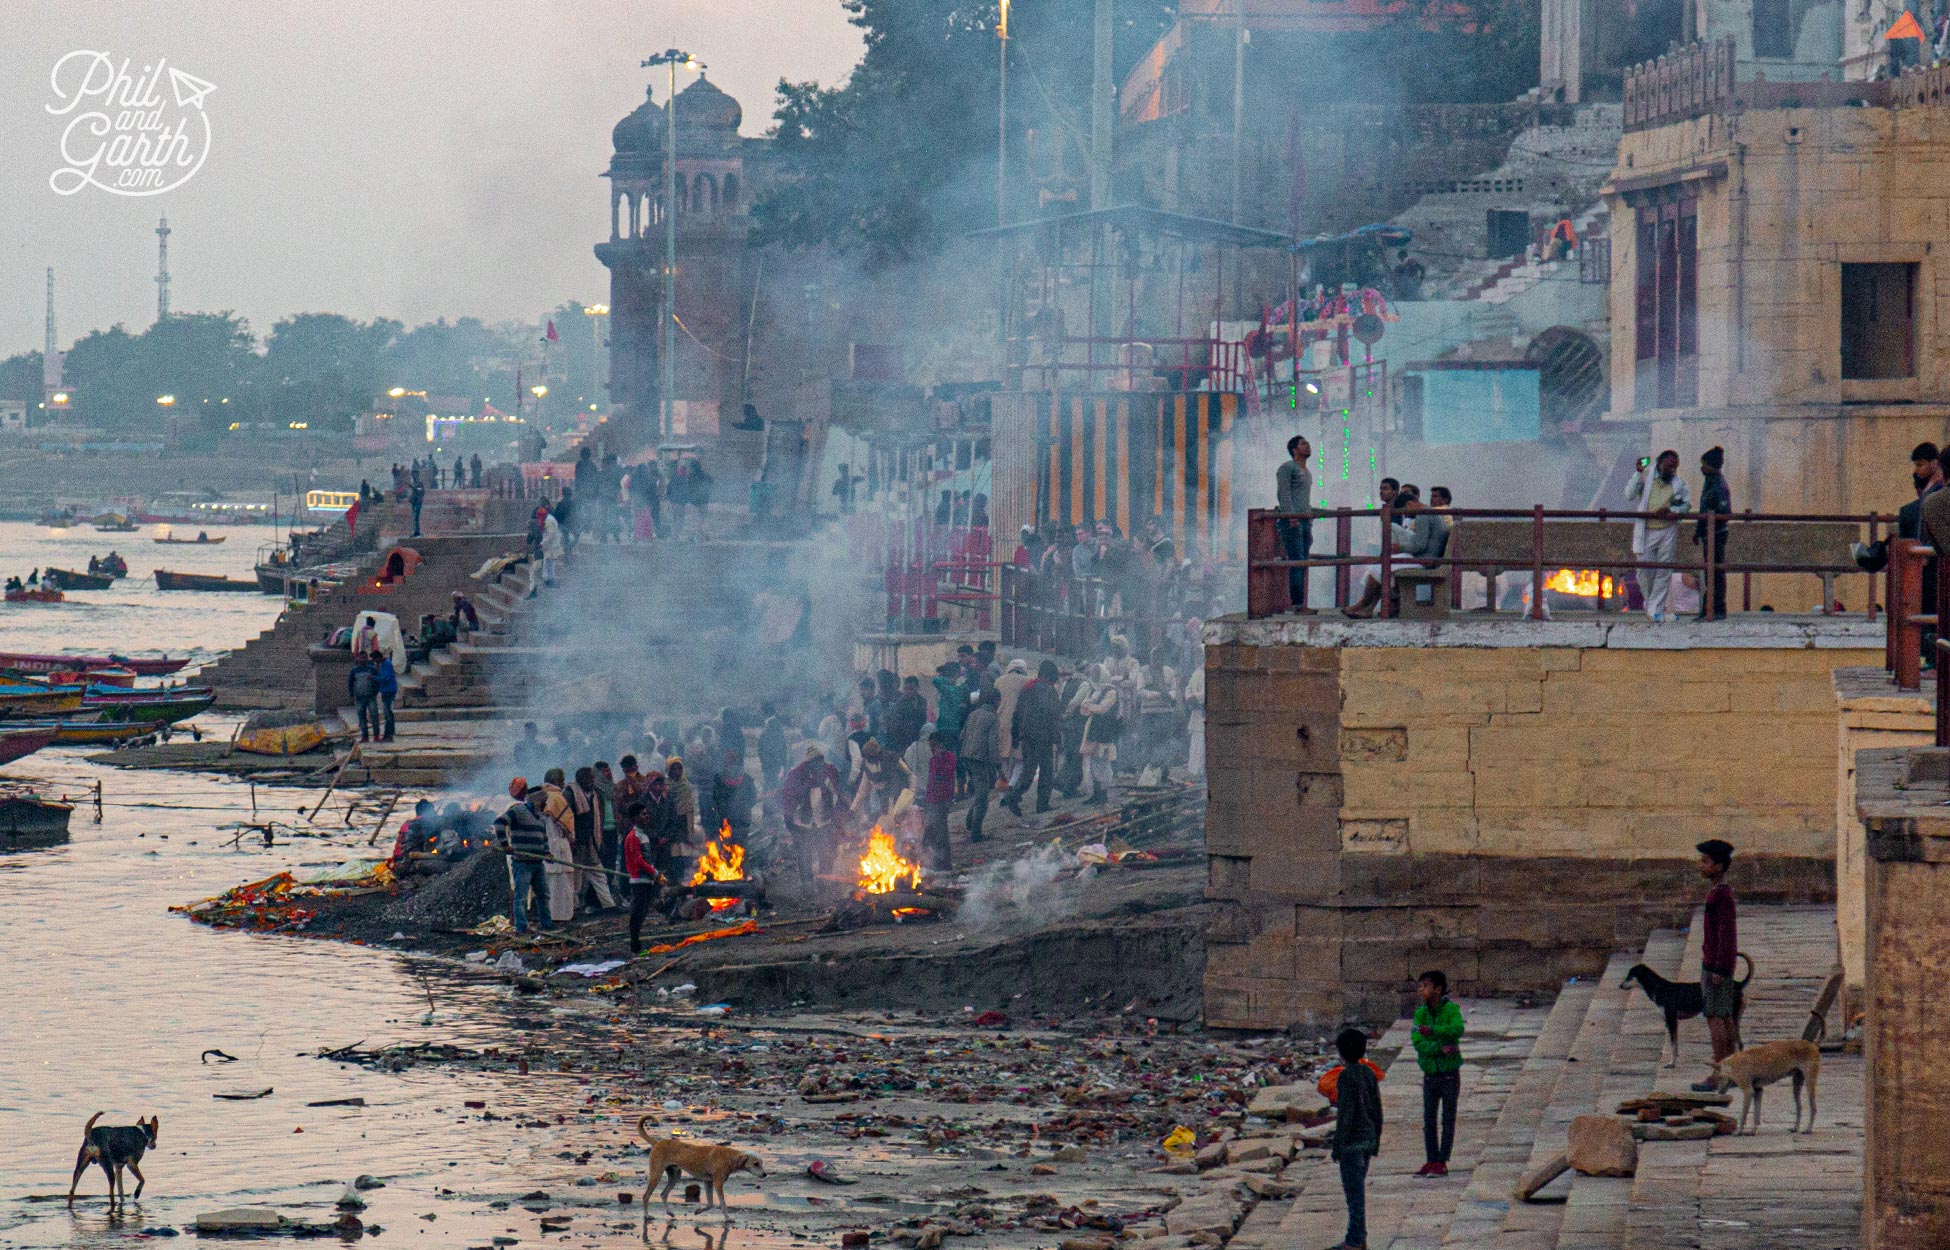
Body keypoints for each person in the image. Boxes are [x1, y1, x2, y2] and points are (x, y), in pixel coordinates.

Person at [1331, 1026, 1382, 1250]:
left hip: (1352, 1143)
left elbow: (1346, 1115)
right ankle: (1359, 1239)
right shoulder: (1369, 1073)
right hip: (1367, 1139)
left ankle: (1355, 1239)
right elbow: (1377, 1108)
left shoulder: (1345, 1077)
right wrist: (1376, 1137)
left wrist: (1337, 1146)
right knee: (1357, 1190)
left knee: (1354, 1195)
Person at [1695, 837, 1741, 1089]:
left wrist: (1717, 968)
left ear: (1719, 867)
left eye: (1706, 862)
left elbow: (1723, 935)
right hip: (1720, 964)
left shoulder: (1720, 897)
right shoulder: (1721, 894)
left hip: (1716, 966)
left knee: (1715, 1017)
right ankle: (1731, 1070)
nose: (1701, 866)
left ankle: (1720, 1072)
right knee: (1724, 1016)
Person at [1626, 450, 1690, 622]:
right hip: (1647, 530)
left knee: (1664, 571)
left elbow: (1685, 506)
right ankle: (1652, 606)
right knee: (1644, 571)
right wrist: (1637, 472)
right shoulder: (1646, 478)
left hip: (1667, 529)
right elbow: (1629, 494)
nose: (1672, 470)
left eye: (1675, 467)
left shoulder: (1678, 484)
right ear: (1660, 464)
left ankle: (1656, 610)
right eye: (1669, 466)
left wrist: (1671, 511)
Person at [1412, 970, 1465, 1177]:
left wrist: (1433, 1032)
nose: (1421, 990)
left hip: (1450, 1073)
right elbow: (1418, 1042)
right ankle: (1431, 1158)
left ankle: (1442, 1160)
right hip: (1430, 1073)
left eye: (1425, 986)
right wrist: (1438, 1048)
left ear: (1438, 989)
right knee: (1429, 1119)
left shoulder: (1451, 1009)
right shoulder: (1420, 1014)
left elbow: (1457, 1029)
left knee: (1448, 1119)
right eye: (1421, 986)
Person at [495, 778, 554, 935]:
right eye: (543, 801)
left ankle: (546, 925)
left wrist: (547, 852)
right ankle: (521, 927)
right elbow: (499, 823)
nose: (545, 804)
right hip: (522, 863)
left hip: (537, 862)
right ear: (536, 801)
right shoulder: (518, 811)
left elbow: (544, 837)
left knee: (543, 894)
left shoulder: (540, 817)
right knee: (520, 897)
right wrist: (505, 845)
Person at [1004, 660, 1062, 816]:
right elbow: (1053, 716)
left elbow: (1017, 714)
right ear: (1050, 675)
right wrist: (1058, 738)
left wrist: (1015, 735)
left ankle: (1014, 794)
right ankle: (1042, 804)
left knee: (1028, 770)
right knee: (1047, 771)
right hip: (1044, 737)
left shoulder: (1027, 688)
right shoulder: (1049, 690)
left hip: (1026, 736)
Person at [566, 766, 616, 911]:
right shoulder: (570, 794)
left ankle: (609, 905)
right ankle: (573, 908)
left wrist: (598, 839)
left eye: (592, 778)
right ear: (580, 779)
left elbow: (596, 819)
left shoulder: (592, 794)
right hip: (576, 843)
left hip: (590, 841)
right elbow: (566, 819)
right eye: (589, 779)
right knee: (575, 877)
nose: (591, 781)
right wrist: (571, 839)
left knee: (598, 873)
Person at [1276, 435, 1316, 612]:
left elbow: (1302, 497)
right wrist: (1291, 516)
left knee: (1303, 560)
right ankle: (1297, 604)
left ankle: (1301, 603)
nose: (1307, 446)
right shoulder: (1287, 467)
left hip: (1304, 521)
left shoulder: (1307, 472)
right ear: (1294, 450)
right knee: (1297, 560)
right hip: (1292, 521)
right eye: (1303, 444)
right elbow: (1283, 493)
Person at [959, 688, 1002, 842]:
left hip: (966, 757)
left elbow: (962, 736)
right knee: (983, 797)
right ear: (995, 701)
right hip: (980, 759)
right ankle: (976, 833)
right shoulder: (992, 717)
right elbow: (993, 744)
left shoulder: (973, 714)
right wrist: (998, 766)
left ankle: (970, 820)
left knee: (980, 790)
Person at [622, 802, 665, 954]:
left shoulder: (642, 835)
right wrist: (654, 872)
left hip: (646, 879)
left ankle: (636, 943)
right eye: (643, 814)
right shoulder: (633, 837)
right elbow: (638, 861)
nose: (647, 816)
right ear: (634, 818)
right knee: (638, 912)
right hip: (639, 880)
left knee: (643, 911)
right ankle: (635, 944)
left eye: (647, 813)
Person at [1695, 446, 1731, 621]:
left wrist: (1709, 524)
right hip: (1708, 534)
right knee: (1711, 573)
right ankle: (1709, 608)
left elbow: (1724, 512)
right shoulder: (1710, 481)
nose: (1701, 468)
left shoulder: (1719, 484)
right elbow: (1704, 509)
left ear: (1711, 465)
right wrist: (1698, 531)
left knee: (1715, 573)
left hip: (1717, 534)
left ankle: (1716, 609)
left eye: (1704, 464)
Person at [921, 731, 957, 870]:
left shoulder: (949, 757)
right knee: (929, 832)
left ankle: (945, 864)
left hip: (942, 800)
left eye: (934, 745)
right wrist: (926, 800)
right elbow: (930, 781)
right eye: (930, 746)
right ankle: (930, 862)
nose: (931, 748)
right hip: (931, 801)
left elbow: (945, 776)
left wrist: (939, 758)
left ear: (941, 745)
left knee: (941, 834)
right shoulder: (932, 760)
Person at [884, 676, 929, 759]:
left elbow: (923, 719)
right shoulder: (900, 703)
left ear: (917, 688)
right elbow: (895, 726)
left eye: (911, 688)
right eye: (906, 689)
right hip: (904, 741)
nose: (908, 691)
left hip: (918, 739)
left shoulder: (922, 701)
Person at [348, 652, 381, 743]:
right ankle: (365, 737)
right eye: (361, 658)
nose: (362, 659)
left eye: (364, 657)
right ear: (357, 659)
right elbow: (350, 683)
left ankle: (376, 736)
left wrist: (375, 692)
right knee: (362, 718)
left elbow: (377, 682)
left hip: (371, 697)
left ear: (367, 659)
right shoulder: (354, 671)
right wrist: (351, 693)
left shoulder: (372, 669)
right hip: (359, 698)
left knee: (374, 716)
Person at [757, 708, 789, 790]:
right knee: (773, 782)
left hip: (770, 762)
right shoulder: (777, 729)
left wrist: (764, 760)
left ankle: (769, 799)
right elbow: (783, 748)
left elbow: (763, 747)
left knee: (770, 783)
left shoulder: (768, 729)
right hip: (774, 761)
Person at [374, 650, 399, 742]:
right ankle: (388, 734)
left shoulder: (387, 664)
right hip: (386, 691)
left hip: (389, 690)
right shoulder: (384, 664)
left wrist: (374, 678)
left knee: (388, 713)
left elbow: (386, 677)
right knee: (387, 713)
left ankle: (389, 735)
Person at [539, 507, 565, 587]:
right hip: (550, 544)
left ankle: (549, 580)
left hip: (551, 545)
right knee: (549, 561)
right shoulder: (548, 518)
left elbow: (551, 534)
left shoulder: (549, 521)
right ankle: (549, 580)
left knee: (549, 562)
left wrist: (543, 542)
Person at [409, 470, 425, 538]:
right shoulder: (414, 483)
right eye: (413, 475)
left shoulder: (420, 483)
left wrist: (412, 487)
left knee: (416, 517)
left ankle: (416, 532)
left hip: (418, 503)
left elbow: (419, 491)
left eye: (414, 475)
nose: (413, 476)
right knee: (415, 518)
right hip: (414, 502)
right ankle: (416, 531)